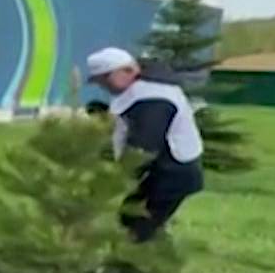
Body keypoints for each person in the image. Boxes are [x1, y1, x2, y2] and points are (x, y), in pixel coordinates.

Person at [86, 47, 204, 241]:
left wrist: (114, 180)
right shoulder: (145, 89)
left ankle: (139, 256)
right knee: (131, 216)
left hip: (173, 173)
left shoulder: (155, 99)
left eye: (104, 81)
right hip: (163, 171)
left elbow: (143, 147)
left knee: (139, 226)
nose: (103, 87)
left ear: (125, 71)